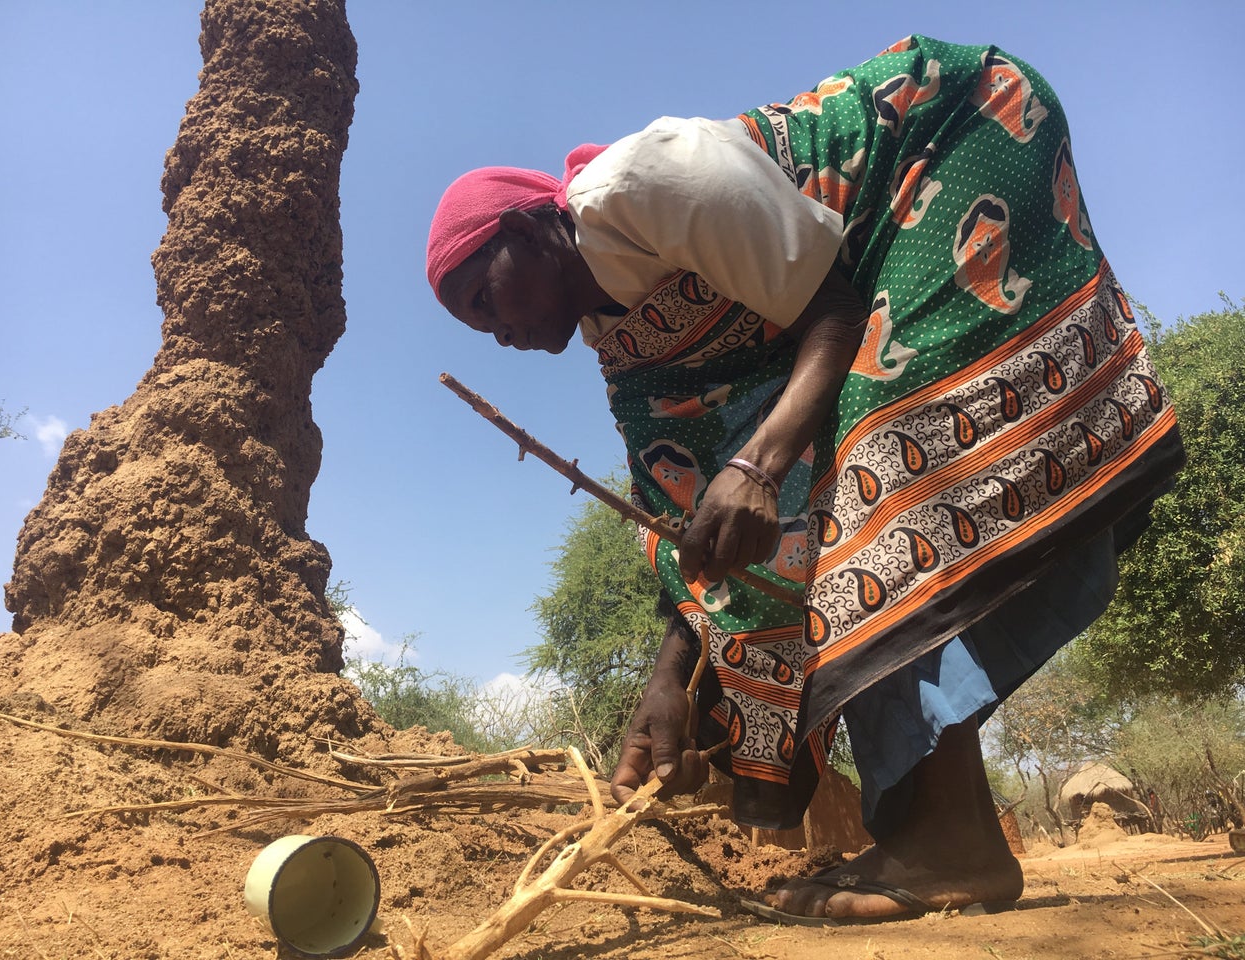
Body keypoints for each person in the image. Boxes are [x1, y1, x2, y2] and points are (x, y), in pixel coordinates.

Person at [426, 35, 1184, 923]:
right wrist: (670, 683)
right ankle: (938, 829)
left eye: (487, 300)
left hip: (954, 139)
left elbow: (833, 304)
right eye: (477, 330)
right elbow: (686, 506)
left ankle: (951, 845)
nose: (500, 336)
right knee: (828, 528)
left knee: (887, 470)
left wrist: (760, 462)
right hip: (865, 263)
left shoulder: (643, 183)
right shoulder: (621, 335)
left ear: (525, 232)